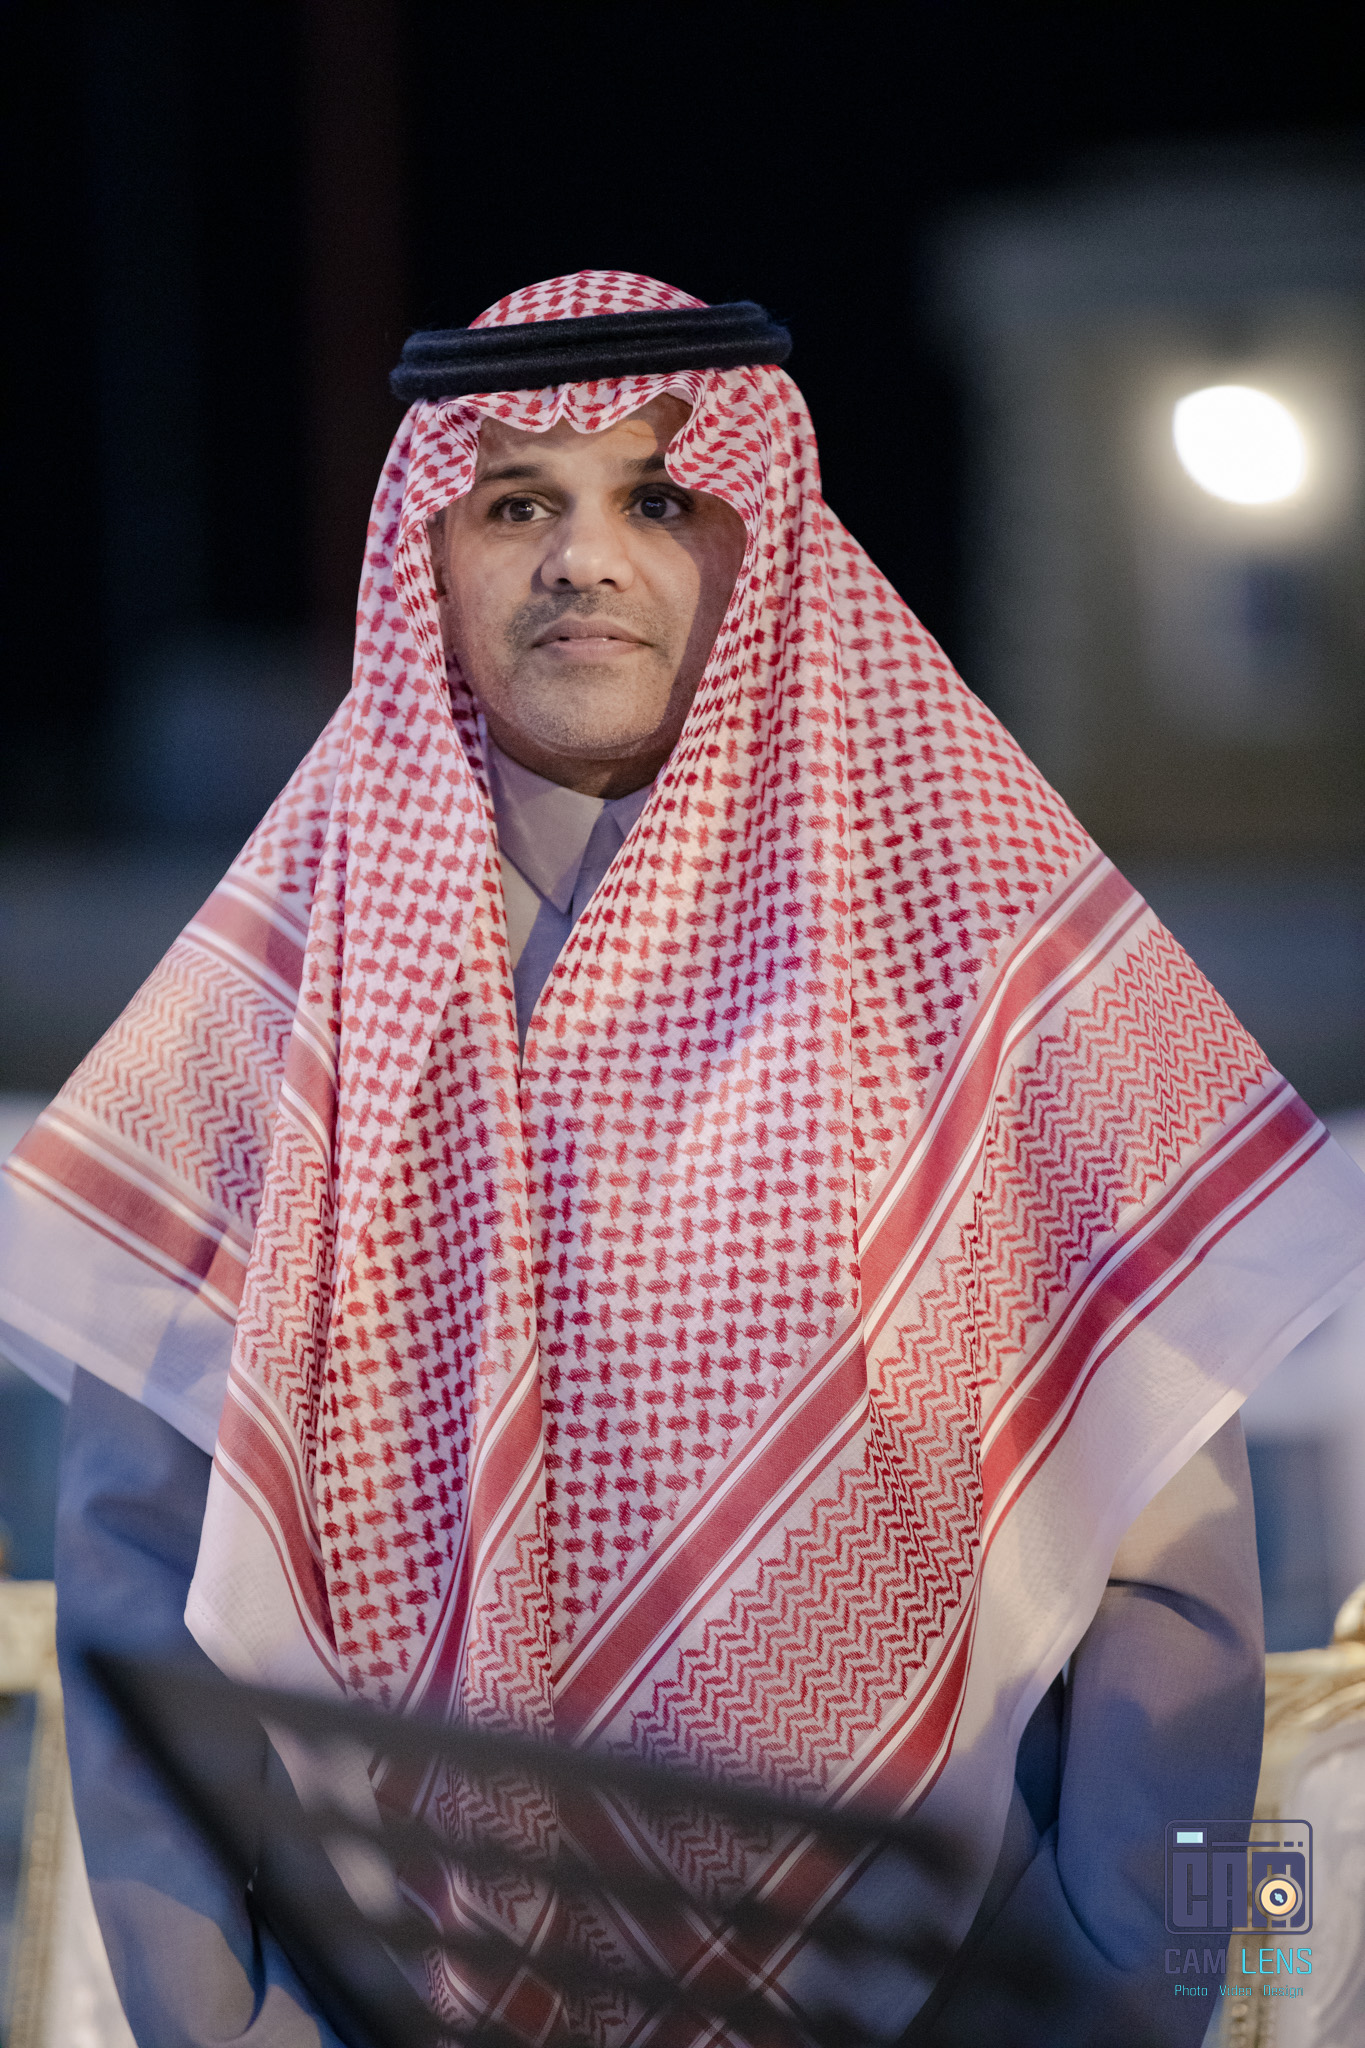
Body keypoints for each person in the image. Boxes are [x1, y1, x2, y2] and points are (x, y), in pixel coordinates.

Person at [1, 270, 1363, 2048]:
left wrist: (1138, 2012)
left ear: (761, 540)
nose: (582, 559)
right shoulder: (283, 993)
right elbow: (137, 1584)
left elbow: (1172, 1600)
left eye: (656, 498)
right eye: (516, 504)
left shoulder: (989, 962)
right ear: (430, 554)